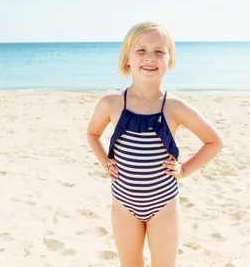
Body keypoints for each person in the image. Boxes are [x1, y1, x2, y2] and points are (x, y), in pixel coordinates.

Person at [86, 20, 224, 267]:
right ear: (127, 58)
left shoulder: (174, 107)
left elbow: (214, 141)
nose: (150, 57)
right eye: (141, 50)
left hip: (164, 204)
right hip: (123, 202)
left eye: (159, 51)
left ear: (169, 60)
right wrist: (106, 163)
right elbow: (93, 134)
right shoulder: (112, 104)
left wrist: (184, 170)